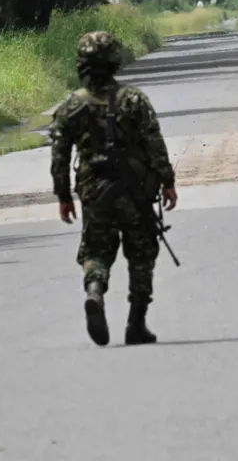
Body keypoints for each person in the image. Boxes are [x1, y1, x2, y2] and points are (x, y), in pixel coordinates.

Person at [50, 31, 178, 347]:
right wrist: (168, 182)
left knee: (96, 250)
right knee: (141, 254)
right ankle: (136, 324)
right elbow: (154, 144)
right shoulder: (133, 100)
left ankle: (94, 290)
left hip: (94, 192)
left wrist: (64, 196)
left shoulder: (70, 107)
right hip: (135, 192)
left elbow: (59, 157)